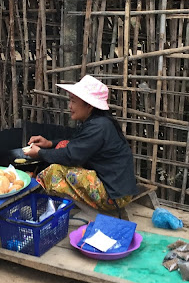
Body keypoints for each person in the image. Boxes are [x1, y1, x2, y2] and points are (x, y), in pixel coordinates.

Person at [24, 75, 138, 214]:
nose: (70, 106)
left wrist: (40, 153)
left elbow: (71, 155)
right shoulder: (98, 122)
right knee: (64, 144)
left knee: (54, 171)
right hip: (115, 186)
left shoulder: (98, 127)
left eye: (73, 101)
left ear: (89, 105)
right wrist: (49, 144)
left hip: (114, 195)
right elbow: (75, 144)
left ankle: (38, 209)